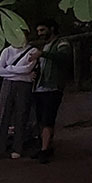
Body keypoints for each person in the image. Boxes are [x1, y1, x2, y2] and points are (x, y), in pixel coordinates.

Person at [0, 35, 39, 160]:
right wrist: (16, 71)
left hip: (23, 84)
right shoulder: (7, 51)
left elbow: (28, 68)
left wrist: (9, 69)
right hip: (8, 83)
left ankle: (18, 147)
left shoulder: (32, 51)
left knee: (21, 114)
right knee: (3, 114)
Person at [32, 20, 73, 163]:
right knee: (41, 119)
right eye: (38, 31)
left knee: (48, 119)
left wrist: (43, 54)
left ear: (52, 29)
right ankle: (46, 146)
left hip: (53, 86)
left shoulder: (62, 43)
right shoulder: (45, 46)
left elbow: (64, 58)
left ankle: (44, 150)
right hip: (40, 86)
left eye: (42, 30)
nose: (40, 34)